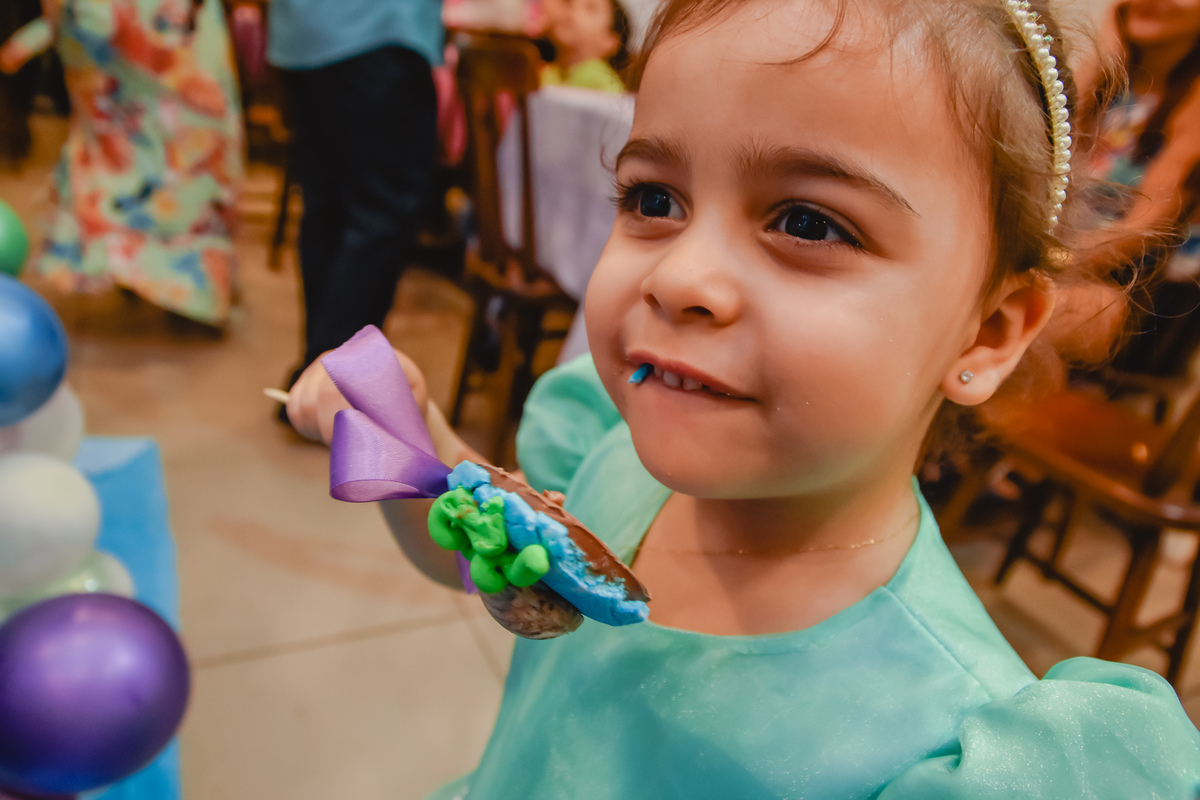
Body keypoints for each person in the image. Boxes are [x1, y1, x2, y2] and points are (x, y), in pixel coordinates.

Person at [287, 0, 1200, 796]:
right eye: (654, 198)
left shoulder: (940, 741)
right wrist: (410, 446)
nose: (681, 275)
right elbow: (483, 556)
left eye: (808, 222)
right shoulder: (610, 450)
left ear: (987, 332)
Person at [0, 0, 243, 331]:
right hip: (135, 32)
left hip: (144, 31)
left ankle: (161, 274)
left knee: (160, 142)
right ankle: (162, 275)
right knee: (155, 142)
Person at [267, 0, 442, 410]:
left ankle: (316, 378)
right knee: (380, 212)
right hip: (375, 30)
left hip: (303, 34)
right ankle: (331, 383)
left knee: (329, 208)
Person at [1078, 0, 1200, 375]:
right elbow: (1044, 153)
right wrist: (1101, 52)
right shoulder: (1115, 80)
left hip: (1136, 296)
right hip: (1074, 259)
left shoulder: (1192, 105)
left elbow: (1146, 225)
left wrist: (1053, 259)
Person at [539, 0, 630, 93]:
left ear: (609, 41)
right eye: (569, 3)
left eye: (590, 8)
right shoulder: (545, 73)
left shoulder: (604, 86)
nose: (572, 10)